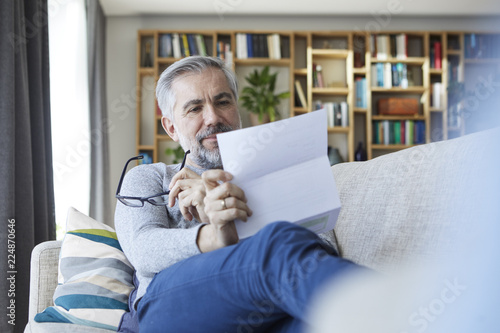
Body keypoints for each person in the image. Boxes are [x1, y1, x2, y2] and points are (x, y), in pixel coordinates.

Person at [114, 56, 362, 333]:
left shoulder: (276, 169)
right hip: (170, 312)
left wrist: (244, 213)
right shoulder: (149, 177)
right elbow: (142, 250)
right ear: (171, 127)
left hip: (265, 314)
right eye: (195, 108)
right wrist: (215, 234)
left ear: (236, 108)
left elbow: (321, 245)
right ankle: (400, 308)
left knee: (318, 323)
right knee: (277, 244)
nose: (213, 118)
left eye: (222, 102)